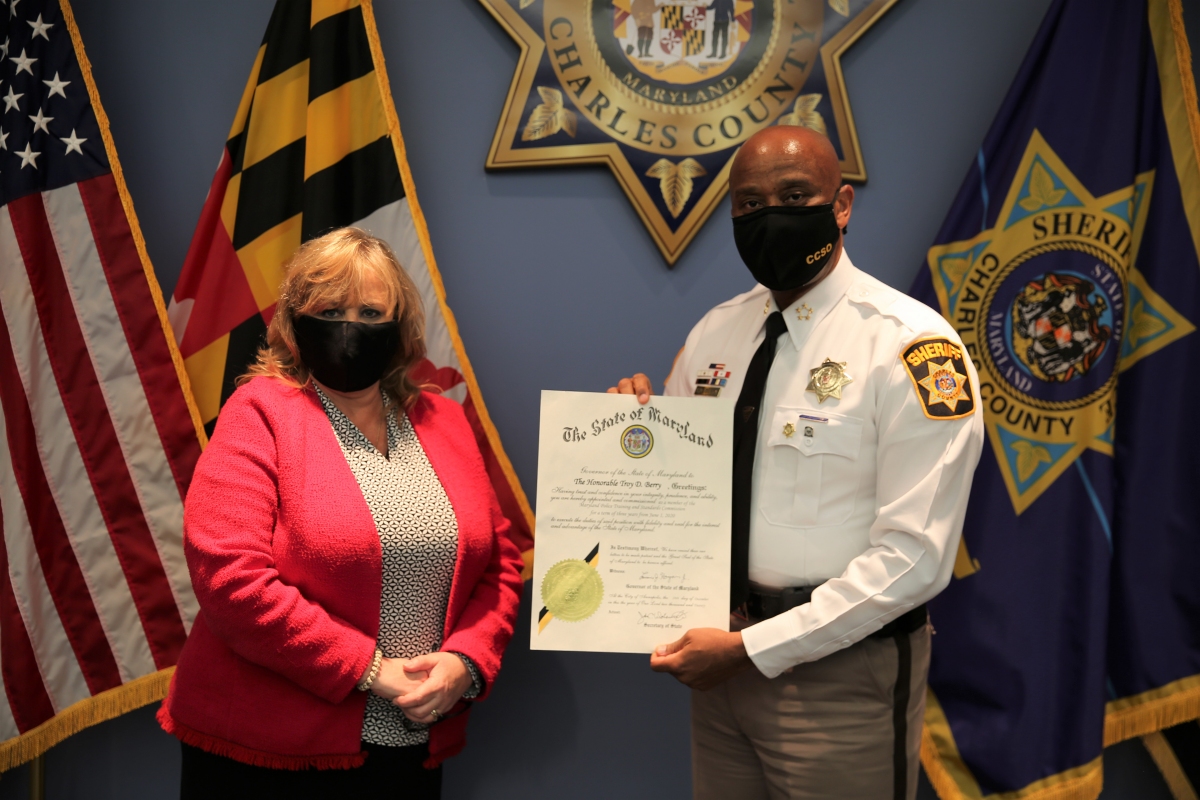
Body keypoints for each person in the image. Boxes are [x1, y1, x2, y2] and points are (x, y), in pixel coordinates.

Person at [610, 126, 985, 800]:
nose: (768, 216)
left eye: (793, 195)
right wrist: (629, 427)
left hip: (840, 679)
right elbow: (671, 494)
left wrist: (756, 648)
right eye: (748, 205)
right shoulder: (716, 332)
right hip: (720, 666)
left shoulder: (910, 347)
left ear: (840, 205)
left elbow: (914, 558)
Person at [158, 228, 524, 799]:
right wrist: (370, 670)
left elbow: (498, 564)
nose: (351, 326)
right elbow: (230, 579)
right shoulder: (260, 413)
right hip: (268, 751)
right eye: (329, 309)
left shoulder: (444, 421)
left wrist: (467, 663)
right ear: (294, 324)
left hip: (411, 742)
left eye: (370, 310)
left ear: (399, 327)